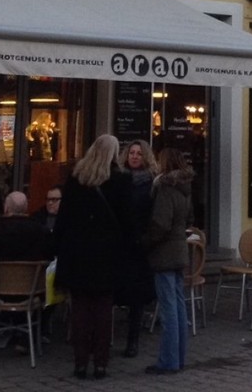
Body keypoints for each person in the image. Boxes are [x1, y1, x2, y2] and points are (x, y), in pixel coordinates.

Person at [54, 134, 132, 380]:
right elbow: (127, 221)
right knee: (102, 310)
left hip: (78, 254)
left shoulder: (76, 179)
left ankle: (80, 362)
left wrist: (60, 248)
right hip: (107, 255)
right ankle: (100, 362)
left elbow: (63, 219)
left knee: (80, 309)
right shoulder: (120, 180)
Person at [143, 147, 194, 376]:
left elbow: (160, 224)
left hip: (164, 252)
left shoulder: (165, 187)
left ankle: (168, 361)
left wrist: (146, 241)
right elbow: (188, 220)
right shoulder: (185, 188)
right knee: (179, 305)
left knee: (168, 307)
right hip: (179, 251)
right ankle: (179, 357)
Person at [116, 140, 157, 358]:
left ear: (145, 157)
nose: (134, 156)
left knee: (136, 295)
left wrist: (146, 238)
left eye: (138, 154)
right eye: (131, 153)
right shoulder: (118, 179)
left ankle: (133, 340)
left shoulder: (151, 182)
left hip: (139, 244)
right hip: (120, 241)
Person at [0, 190, 54, 268]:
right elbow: (50, 258)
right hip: (32, 283)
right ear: (26, 208)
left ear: (6, 208)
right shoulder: (42, 232)